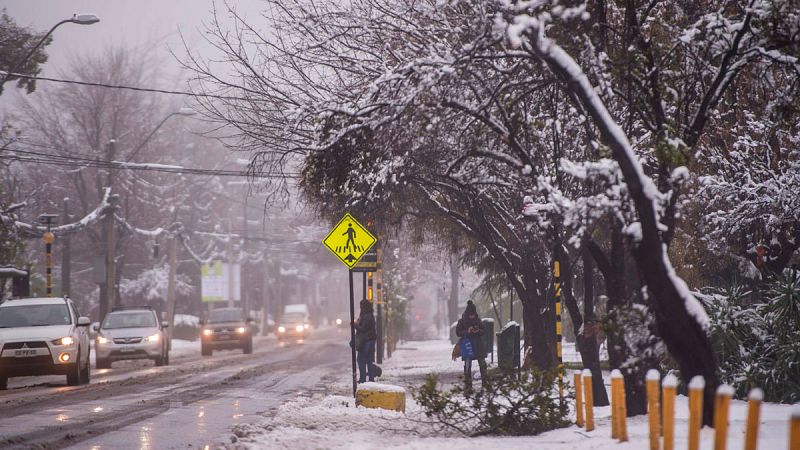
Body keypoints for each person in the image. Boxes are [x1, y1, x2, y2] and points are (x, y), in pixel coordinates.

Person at [456, 300, 488, 391]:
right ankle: (468, 385)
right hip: (468, 346)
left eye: (473, 314)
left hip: (478, 345)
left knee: (482, 363)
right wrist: (467, 331)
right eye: (471, 314)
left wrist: (478, 331)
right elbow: (458, 332)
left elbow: (484, 330)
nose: (472, 316)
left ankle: (485, 383)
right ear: (468, 313)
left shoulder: (478, 320)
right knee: (467, 363)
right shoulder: (462, 321)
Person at [354, 298, 377, 383]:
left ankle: (363, 379)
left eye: (361, 306)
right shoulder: (370, 315)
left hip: (366, 340)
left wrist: (355, 325)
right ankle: (371, 379)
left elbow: (363, 329)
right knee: (369, 360)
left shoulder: (367, 316)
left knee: (360, 359)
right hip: (371, 340)